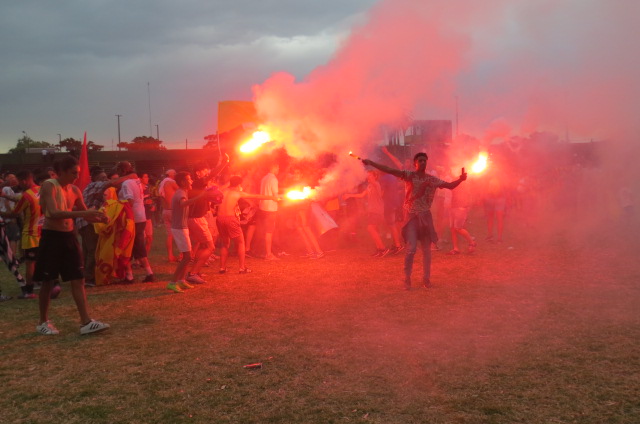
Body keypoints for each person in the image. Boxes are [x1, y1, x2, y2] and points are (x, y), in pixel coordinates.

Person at [362, 152, 467, 290]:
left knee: (426, 251)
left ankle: (426, 279)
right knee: (411, 249)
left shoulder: (432, 179)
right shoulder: (409, 175)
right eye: (420, 160)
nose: (423, 162)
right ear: (415, 163)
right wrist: (372, 163)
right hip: (411, 217)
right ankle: (407, 279)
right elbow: (389, 170)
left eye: (424, 160)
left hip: (425, 217)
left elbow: (450, 185)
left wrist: (460, 180)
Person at [34, 155, 110, 335]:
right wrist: (86, 212)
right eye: (73, 173)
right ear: (60, 172)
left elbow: (85, 215)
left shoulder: (75, 189)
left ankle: (86, 322)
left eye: (78, 173)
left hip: (69, 237)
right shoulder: (49, 185)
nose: (76, 176)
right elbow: (53, 213)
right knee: (48, 281)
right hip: (51, 237)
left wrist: (99, 216)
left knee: (78, 278)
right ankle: (43, 322)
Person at [217, 176, 279, 273]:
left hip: (219, 219)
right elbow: (256, 196)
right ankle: (242, 268)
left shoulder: (222, 191)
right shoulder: (238, 193)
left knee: (225, 244)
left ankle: (222, 268)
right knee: (241, 243)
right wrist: (272, 197)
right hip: (230, 219)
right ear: (238, 185)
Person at [167, 171, 215, 293]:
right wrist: (200, 196)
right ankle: (173, 282)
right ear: (183, 182)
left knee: (188, 257)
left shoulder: (183, 191)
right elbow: (183, 203)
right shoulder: (181, 193)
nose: (192, 181)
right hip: (179, 228)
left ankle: (181, 280)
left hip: (181, 227)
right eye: (189, 179)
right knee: (187, 257)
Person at [0, 170, 42, 299]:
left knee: (30, 263)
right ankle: (50, 283)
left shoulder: (27, 196)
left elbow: (14, 213)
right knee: (43, 259)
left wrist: (2, 213)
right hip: (44, 231)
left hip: (30, 233)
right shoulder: (42, 190)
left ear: (24, 181)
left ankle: (28, 289)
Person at [116, 161, 154, 283]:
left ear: (122, 171)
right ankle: (146, 273)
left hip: (132, 218)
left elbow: (130, 200)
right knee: (136, 246)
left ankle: (131, 275)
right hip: (140, 216)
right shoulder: (137, 181)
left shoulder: (127, 182)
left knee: (126, 246)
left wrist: (117, 208)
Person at [343, 170, 389, 257]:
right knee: (373, 230)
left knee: (370, 228)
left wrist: (371, 179)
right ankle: (379, 249)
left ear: (375, 177)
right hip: (372, 211)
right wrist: (349, 195)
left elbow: (375, 184)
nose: (368, 177)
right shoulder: (369, 186)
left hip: (377, 210)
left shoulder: (376, 184)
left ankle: (383, 249)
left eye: (370, 176)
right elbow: (361, 195)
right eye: (367, 175)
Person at [447, 176, 477, 255]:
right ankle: (456, 248)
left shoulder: (464, 185)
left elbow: (467, 197)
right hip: (453, 207)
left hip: (461, 208)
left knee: (458, 228)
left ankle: (471, 242)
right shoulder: (454, 184)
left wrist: (467, 207)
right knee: (452, 228)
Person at [258, 163, 281, 260]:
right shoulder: (274, 179)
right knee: (269, 231)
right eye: (278, 167)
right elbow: (275, 196)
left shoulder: (264, 178)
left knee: (265, 231)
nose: (278, 169)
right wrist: (281, 198)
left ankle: (265, 252)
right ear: (274, 167)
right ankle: (268, 254)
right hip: (270, 208)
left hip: (262, 207)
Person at [158, 169, 180, 262]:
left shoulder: (161, 183)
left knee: (170, 235)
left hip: (165, 211)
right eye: (174, 173)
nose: (175, 175)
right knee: (180, 233)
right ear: (171, 175)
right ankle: (182, 255)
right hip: (173, 211)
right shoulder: (171, 182)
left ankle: (170, 256)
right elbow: (182, 190)